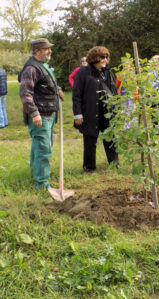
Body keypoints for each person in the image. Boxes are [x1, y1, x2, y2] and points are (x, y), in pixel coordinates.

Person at [18, 38, 64, 189]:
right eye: (46, 49)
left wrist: (58, 89)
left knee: (39, 146)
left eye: (49, 48)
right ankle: (42, 184)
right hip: (41, 115)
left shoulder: (44, 65)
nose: (49, 51)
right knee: (44, 149)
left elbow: (47, 82)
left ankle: (35, 172)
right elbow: (25, 93)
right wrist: (34, 113)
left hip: (49, 114)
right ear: (37, 51)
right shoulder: (31, 69)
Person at [72, 46, 118, 173]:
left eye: (106, 57)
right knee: (90, 141)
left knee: (110, 138)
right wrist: (77, 114)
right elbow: (76, 95)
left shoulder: (108, 72)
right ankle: (89, 167)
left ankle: (114, 164)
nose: (105, 60)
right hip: (90, 112)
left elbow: (114, 92)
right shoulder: (83, 72)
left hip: (107, 112)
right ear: (94, 58)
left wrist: (116, 111)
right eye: (102, 57)